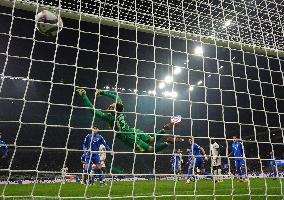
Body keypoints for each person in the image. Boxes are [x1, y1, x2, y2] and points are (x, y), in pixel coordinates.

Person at [76, 88, 183, 153]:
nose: (109, 105)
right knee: (151, 139)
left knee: (150, 149)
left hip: (128, 137)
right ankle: (164, 129)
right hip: (133, 131)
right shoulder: (120, 109)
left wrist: (84, 95)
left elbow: (92, 110)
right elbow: (116, 96)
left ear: (113, 110)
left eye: (110, 106)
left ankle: (167, 142)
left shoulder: (109, 117)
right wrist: (103, 92)